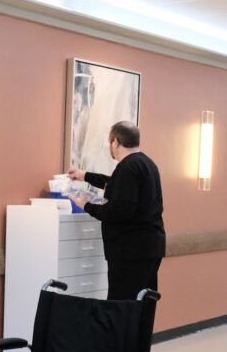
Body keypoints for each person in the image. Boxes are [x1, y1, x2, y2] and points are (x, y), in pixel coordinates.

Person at [66, 121, 165, 300]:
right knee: (145, 303)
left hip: (131, 251)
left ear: (116, 142)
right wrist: (85, 176)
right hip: (151, 246)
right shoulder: (147, 164)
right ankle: (142, 330)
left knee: (123, 305)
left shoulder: (127, 167)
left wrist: (87, 206)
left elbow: (120, 211)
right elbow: (116, 184)